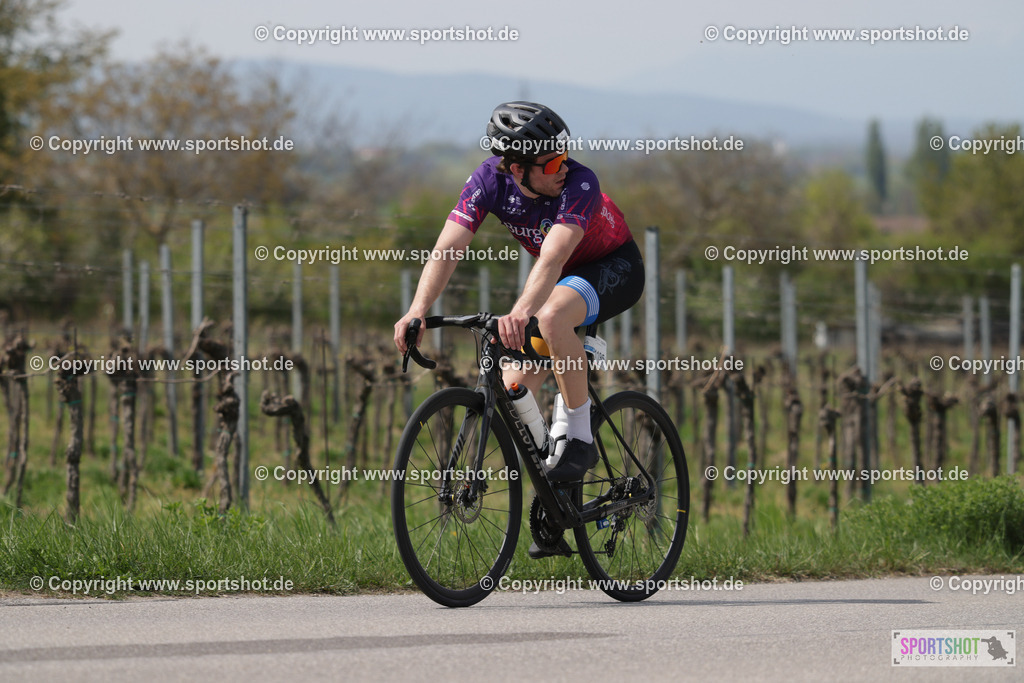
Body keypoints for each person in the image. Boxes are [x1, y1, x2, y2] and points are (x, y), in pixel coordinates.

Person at [394, 101, 644, 486]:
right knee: (513, 391)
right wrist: (417, 310)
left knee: (551, 316)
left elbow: (556, 254)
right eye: (550, 163)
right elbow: (447, 250)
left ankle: (579, 438)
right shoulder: (488, 183)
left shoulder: (579, 181)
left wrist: (521, 310)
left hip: (612, 266)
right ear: (516, 169)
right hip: (556, 277)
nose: (562, 167)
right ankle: (557, 493)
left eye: (563, 156)